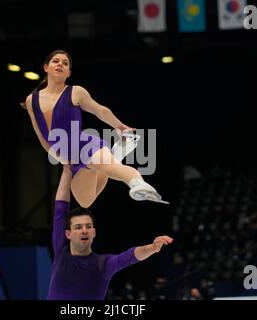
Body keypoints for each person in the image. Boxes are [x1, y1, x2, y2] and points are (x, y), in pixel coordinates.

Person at [23, 49, 168, 208]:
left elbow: (100, 110)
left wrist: (119, 126)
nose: (60, 64)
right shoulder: (32, 100)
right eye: (56, 61)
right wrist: (60, 159)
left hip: (85, 145)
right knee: (85, 202)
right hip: (72, 159)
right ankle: (113, 154)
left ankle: (139, 184)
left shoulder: (75, 92)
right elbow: (41, 135)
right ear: (46, 67)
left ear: (68, 73)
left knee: (112, 168)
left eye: (65, 63)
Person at [47, 165, 173, 300]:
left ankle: (108, 163)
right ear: (68, 234)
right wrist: (66, 171)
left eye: (88, 226)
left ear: (94, 232)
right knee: (86, 196)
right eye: (78, 227)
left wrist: (152, 248)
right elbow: (60, 209)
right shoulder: (61, 251)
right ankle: (107, 162)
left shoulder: (103, 264)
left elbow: (129, 257)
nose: (84, 230)